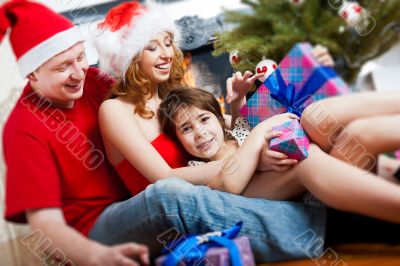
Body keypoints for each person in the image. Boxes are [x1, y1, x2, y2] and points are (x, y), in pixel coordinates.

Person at [2, 1, 326, 264]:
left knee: (205, 183)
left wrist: (240, 115)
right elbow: (45, 225)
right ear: (32, 73)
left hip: (141, 199)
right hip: (95, 230)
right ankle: (319, 229)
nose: (78, 74)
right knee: (168, 196)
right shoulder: (23, 130)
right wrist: (95, 256)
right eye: (63, 68)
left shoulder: (96, 81)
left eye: (80, 58)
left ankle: (324, 203)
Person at [158, 87, 400, 223]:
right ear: (178, 139)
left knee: (322, 119)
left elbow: (237, 116)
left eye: (203, 120)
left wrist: (242, 105)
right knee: (312, 154)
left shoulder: (239, 132)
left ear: (220, 121)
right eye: (186, 129)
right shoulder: (193, 168)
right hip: (311, 191)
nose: (200, 133)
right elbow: (228, 182)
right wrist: (260, 137)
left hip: (333, 173)